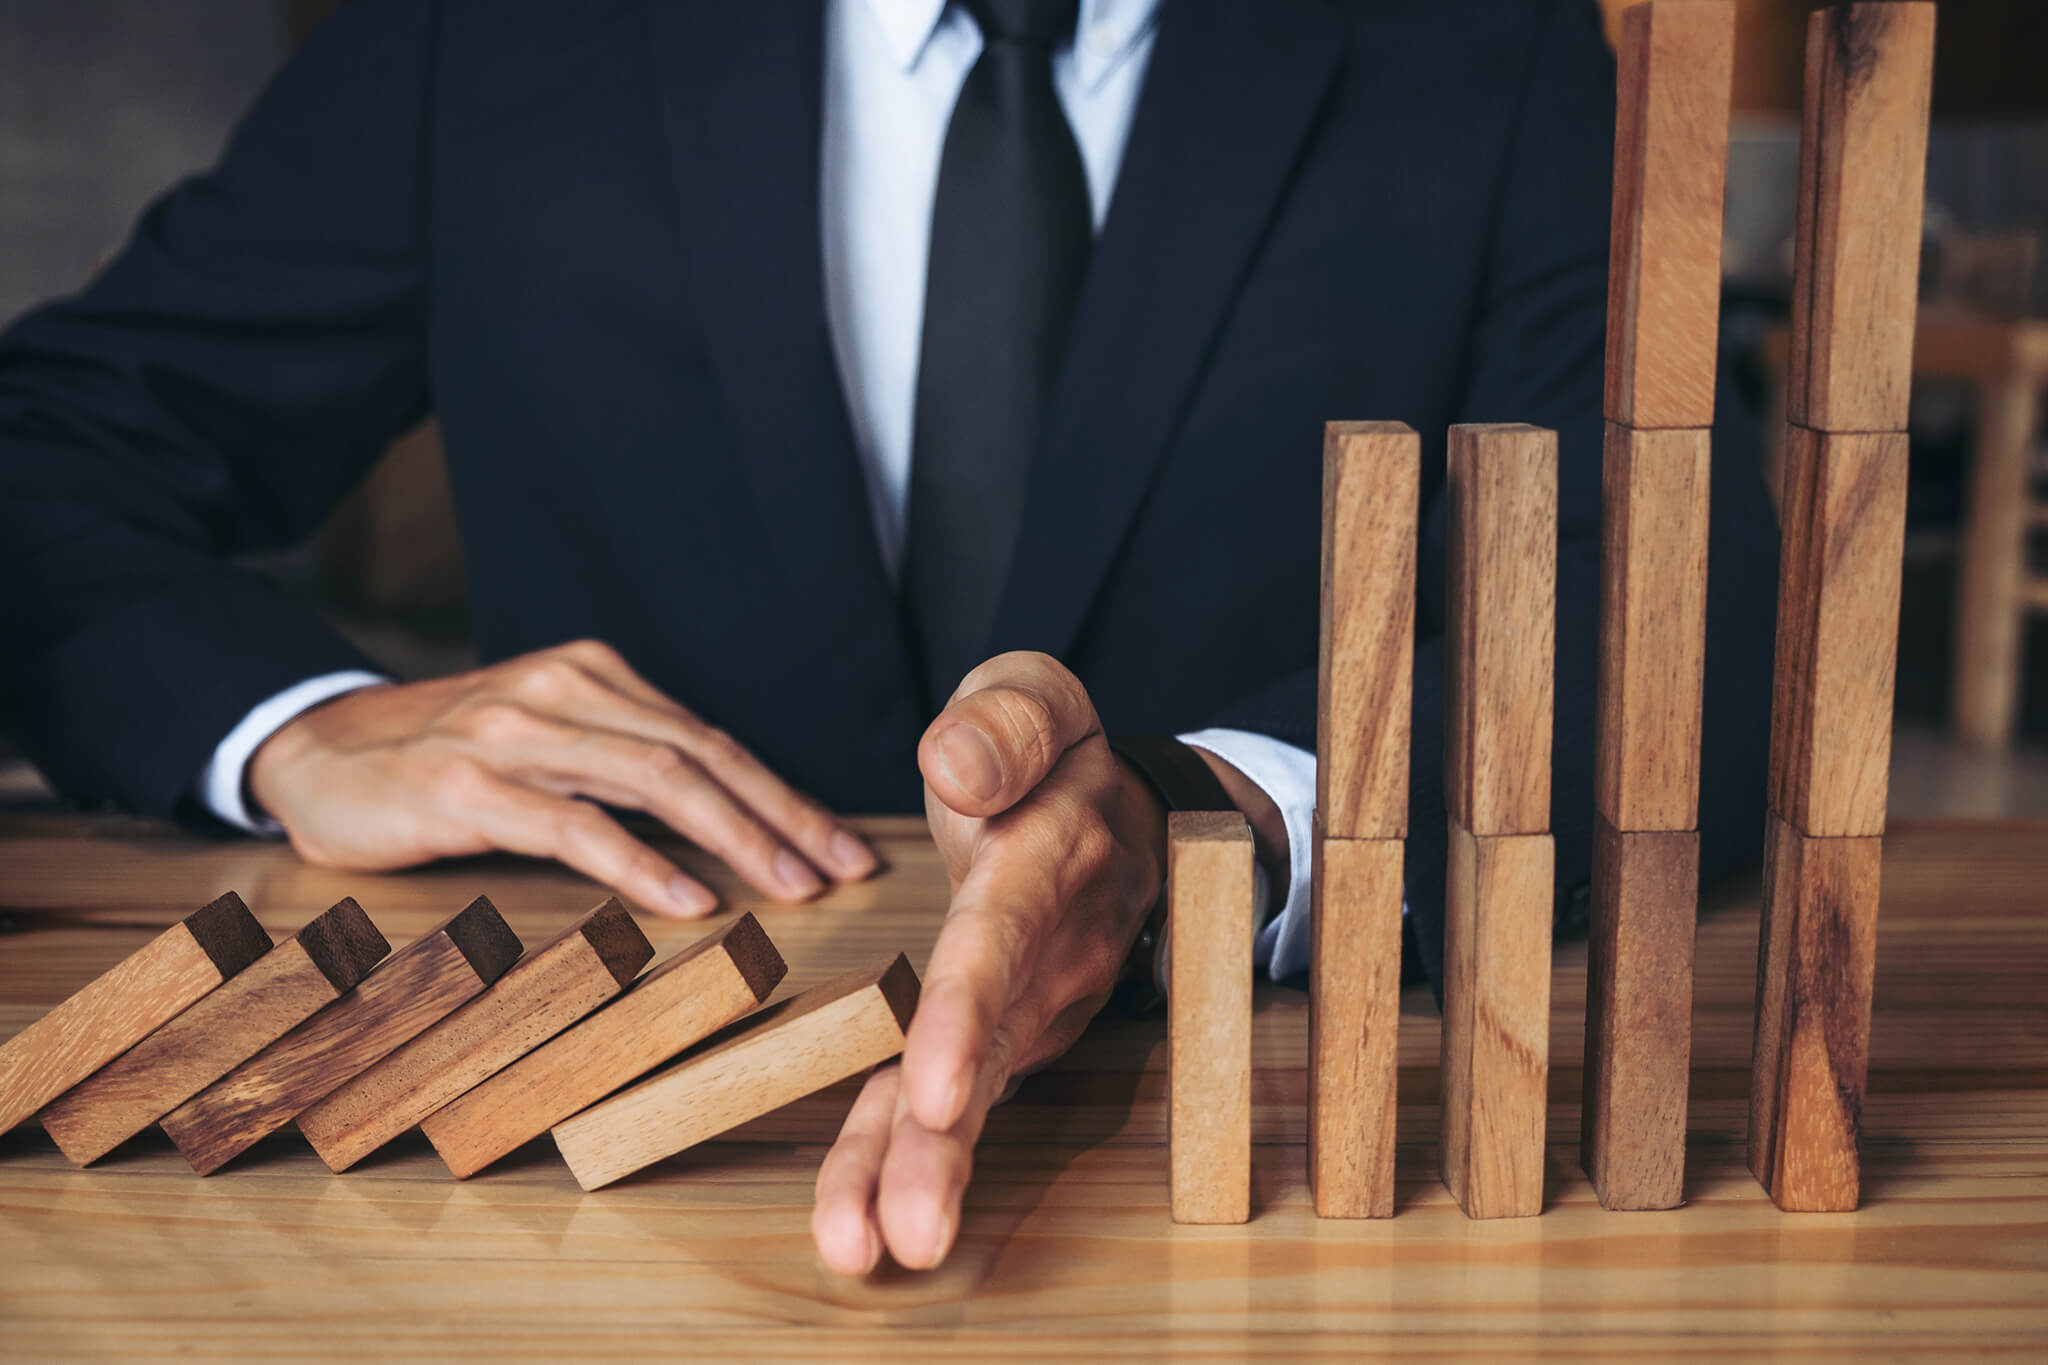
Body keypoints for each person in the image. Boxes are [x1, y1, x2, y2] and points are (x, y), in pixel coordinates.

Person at [0, 0, 1778, 1273]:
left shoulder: (1494, 46)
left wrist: (1204, 820)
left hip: (1273, 1195)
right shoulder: (487, 34)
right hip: (581, 1203)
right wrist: (296, 718)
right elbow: (44, 452)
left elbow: (1673, 599)